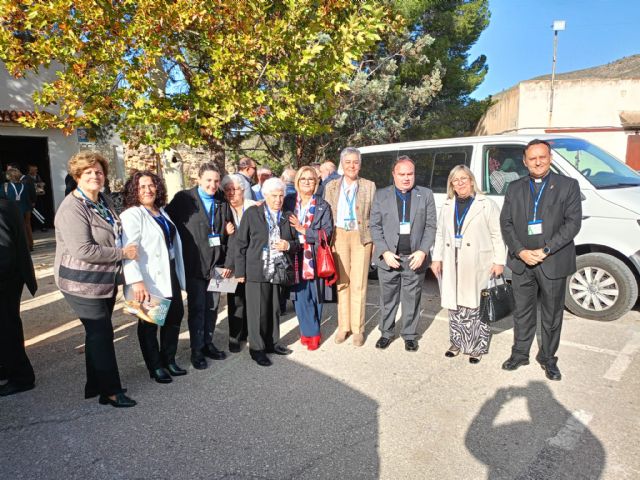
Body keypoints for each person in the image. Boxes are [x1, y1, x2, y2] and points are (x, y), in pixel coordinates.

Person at [54, 151, 138, 408]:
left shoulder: (103, 200)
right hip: (81, 283)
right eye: (88, 172)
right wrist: (122, 253)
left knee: (96, 334)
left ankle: (94, 385)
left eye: (99, 171)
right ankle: (110, 391)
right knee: (101, 333)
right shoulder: (72, 207)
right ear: (78, 176)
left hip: (104, 280)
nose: (94, 176)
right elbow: (84, 251)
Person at [500, 139, 582, 381]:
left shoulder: (568, 185)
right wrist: (520, 251)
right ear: (525, 161)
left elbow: (572, 223)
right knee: (522, 311)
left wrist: (546, 250)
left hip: (552, 261)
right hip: (522, 261)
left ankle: (548, 358)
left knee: (551, 314)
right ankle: (520, 353)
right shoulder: (514, 188)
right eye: (532, 158)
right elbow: (506, 223)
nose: (537, 162)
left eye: (542, 157)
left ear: (550, 158)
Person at [431, 165, 505, 363]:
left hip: (478, 261)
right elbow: (440, 234)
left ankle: (477, 347)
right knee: (454, 304)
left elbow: (497, 235)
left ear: (471, 180)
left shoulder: (486, 204)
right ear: (451, 185)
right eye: (456, 180)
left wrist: (499, 261)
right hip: (452, 260)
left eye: (464, 178)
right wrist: (436, 257)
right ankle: (457, 341)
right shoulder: (448, 205)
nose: (460, 183)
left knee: (476, 305)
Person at [120, 171, 187, 383]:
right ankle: (155, 366)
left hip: (169, 271)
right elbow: (129, 250)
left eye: (151, 185)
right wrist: (136, 281)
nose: (147, 190)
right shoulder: (132, 214)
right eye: (141, 187)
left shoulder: (161, 211)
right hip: (147, 277)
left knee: (174, 316)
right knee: (150, 322)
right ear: (134, 191)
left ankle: (169, 360)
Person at [165, 163, 233, 370]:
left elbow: (229, 229)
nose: (213, 185)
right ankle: (196, 350)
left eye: (216, 180)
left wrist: (229, 234)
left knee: (213, 307)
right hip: (195, 264)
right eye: (208, 181)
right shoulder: (183, 199)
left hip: (220, 265)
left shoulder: (222, 200)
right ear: (199, 179)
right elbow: (166, 222)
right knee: (198, 308)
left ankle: (208, 343)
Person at [370, 156, 437, 352]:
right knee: (388, 299)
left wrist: (423, 251)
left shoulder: (425, 194)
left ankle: (409, 334)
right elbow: (375, 226)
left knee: (412, 299)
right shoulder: (381, 195)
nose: (406, 178)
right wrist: (384, 251)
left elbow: (431, 226)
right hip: (390, 258)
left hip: (414, 258)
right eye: (402, 174)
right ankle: (386, 332)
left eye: (410, 174)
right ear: (394, 175)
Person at [234, 178, 298, 366]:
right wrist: (240, 271)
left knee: (275, 308)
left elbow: (296, 243)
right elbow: (240, 244)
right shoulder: (252, 213)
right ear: (265, 196)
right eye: (273, 196)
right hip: (256, 269)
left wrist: (288, 245)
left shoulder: (287, 215)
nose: (278, 200)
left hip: (278, 269)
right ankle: (257, 348)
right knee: (257, 311)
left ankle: (272, 343)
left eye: (281, 195)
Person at [323, 147, 376, 346]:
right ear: (342, 165)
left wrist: (375, 243)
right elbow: (326, 213)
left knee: (359, 284)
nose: (352, 166)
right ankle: (343, 326)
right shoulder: (331, 186)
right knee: (342, 282)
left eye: (355, 162)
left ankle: (358, 329)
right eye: (348, 162)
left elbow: (375, 215)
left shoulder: (369, 186)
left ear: (360, 165)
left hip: (361, 237)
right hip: (338, 236)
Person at [284, 166, 335, 350]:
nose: (306, 182)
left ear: (316, 183)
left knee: (315, 296)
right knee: (300, 296)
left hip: (315, 256)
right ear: (297, 182)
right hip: (295, 254)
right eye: (303, 178)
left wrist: (303, 230)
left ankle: (311, 331)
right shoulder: (289, 202)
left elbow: (327, 234)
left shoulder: (323, 205)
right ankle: (310, 333)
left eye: (310, 179)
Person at [0, 199, 37, 396]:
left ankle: (21, 377)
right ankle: (8, 368)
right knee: (7, 327)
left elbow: (4, 253)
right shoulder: (7, 203)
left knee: (7, 329)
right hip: (11, 278)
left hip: (5, 280)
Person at [221, 174, 256, 353]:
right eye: (228, 190)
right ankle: (235, 336)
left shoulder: (254, 207)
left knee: (251, 299)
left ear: (243, 190)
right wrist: (224, 231)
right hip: (230, 263)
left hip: (251, 262)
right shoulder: (222, 209)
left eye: (235, 189)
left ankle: (251, 333)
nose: (232, 193)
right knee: (234, 302)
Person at [1, 167, 34, 250]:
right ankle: (30, 244)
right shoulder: (24, 186)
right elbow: (29, 197)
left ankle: (21, 246)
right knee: (27, 226)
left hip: (12, 209)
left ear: (8, 176)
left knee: (15, 227)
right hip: (26, 208)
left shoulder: (5, 186)